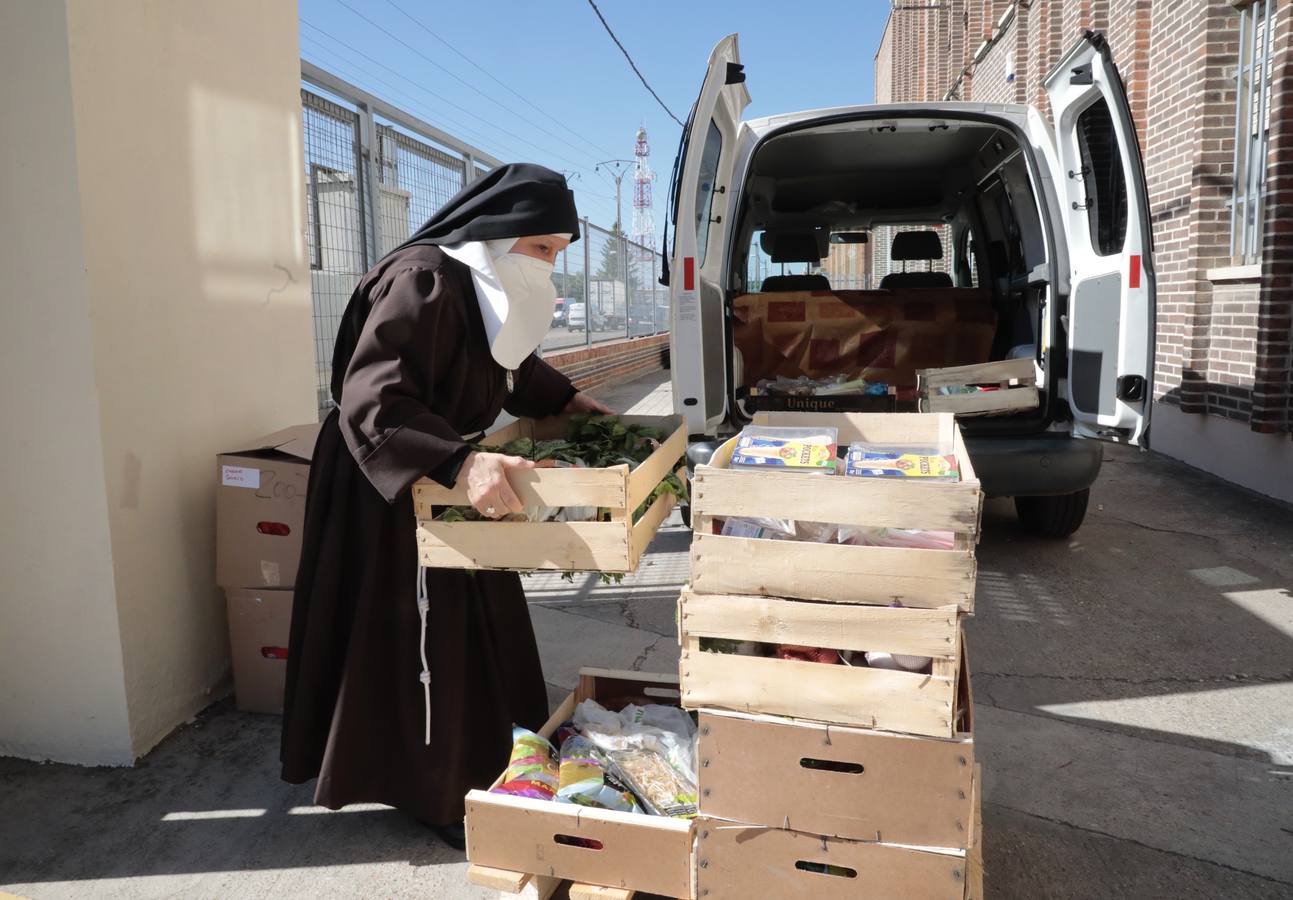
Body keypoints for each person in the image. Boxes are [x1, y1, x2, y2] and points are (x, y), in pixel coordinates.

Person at [280, 164, 612, 850]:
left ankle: (489, 762)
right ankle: (430, 788)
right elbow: (374, 398)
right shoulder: (424, 277)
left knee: (465, 625)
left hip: (443, 472)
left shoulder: (481, 282)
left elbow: (507, 360)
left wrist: (565, 401)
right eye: (543, 248)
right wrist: (460, 460)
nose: (550, 265)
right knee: (412, 634)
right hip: (390, 479)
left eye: (558, 252)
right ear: (498, 234)